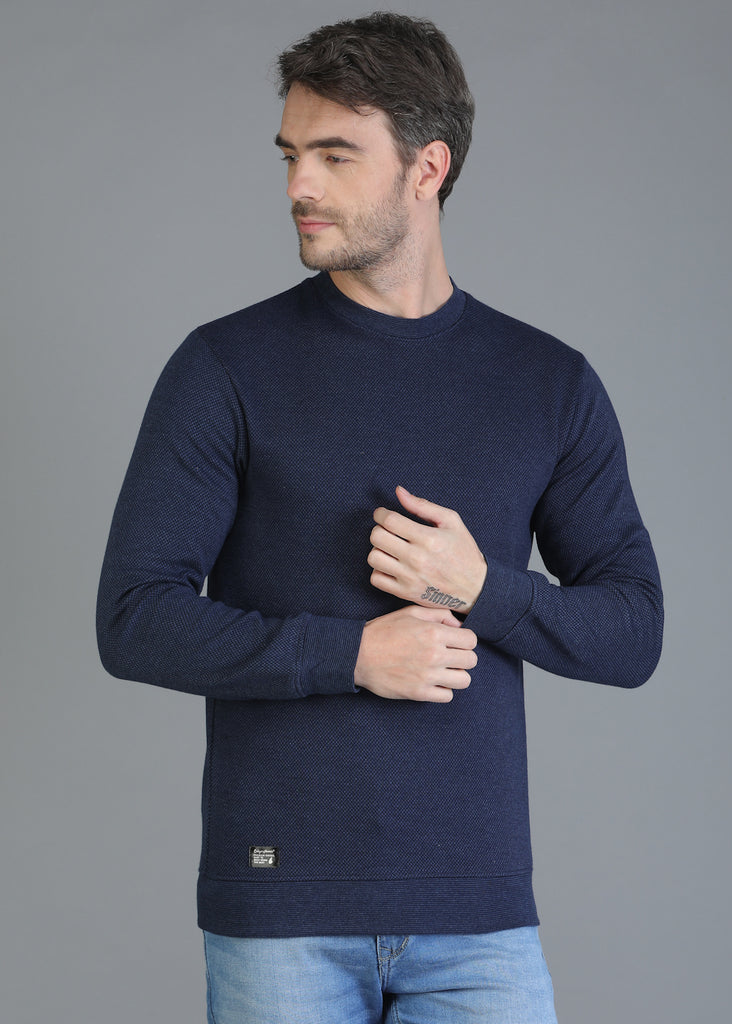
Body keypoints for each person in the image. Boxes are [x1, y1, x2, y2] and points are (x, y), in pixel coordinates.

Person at [96, 11, 663, 1023]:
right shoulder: (224, 368)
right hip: (282, 914)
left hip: (479, 923)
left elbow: (633, 631)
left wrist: (481, 588)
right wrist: (351, 654)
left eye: (334, 155)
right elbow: (134, 617)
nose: (298, 186)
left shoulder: (546, 383)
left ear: (426, 167)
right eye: (290, 155)